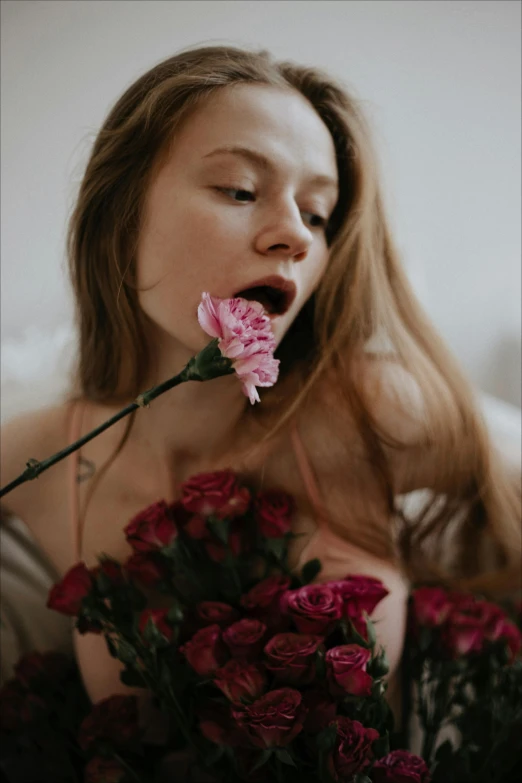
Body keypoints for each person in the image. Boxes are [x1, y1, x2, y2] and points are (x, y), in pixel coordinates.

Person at [1, 45, 520, 738]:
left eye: (318, 213)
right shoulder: (46, 455)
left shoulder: (371, 410)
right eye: (241, 191)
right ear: (120, 219)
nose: (295, 238)